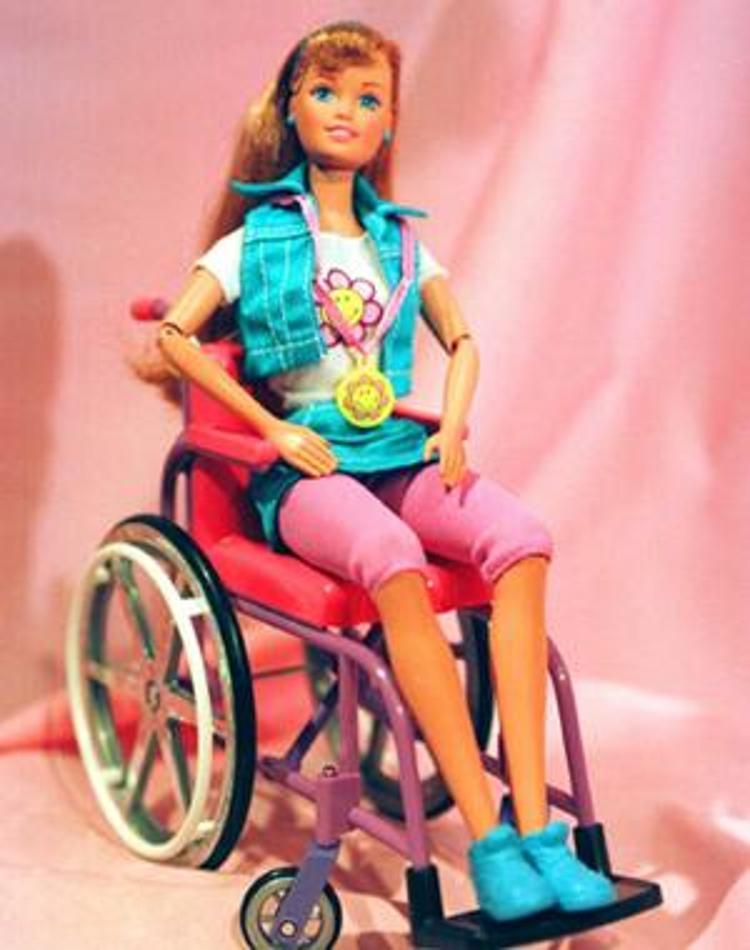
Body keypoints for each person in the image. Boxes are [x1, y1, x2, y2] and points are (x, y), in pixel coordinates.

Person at [149, 20, 615, 922]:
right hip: (308, 470)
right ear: (290, 106)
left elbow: (463, 338)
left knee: (522, 540)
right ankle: (489, 842)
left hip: (399, 449)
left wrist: (456, 424)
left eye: (368, 99)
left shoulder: (401, 244)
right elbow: (175, 333)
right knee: (394, 557)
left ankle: (537, 830)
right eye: (327, 92)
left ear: (390, 123)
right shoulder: (255, 242)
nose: (346, 112)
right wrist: (272, 431)